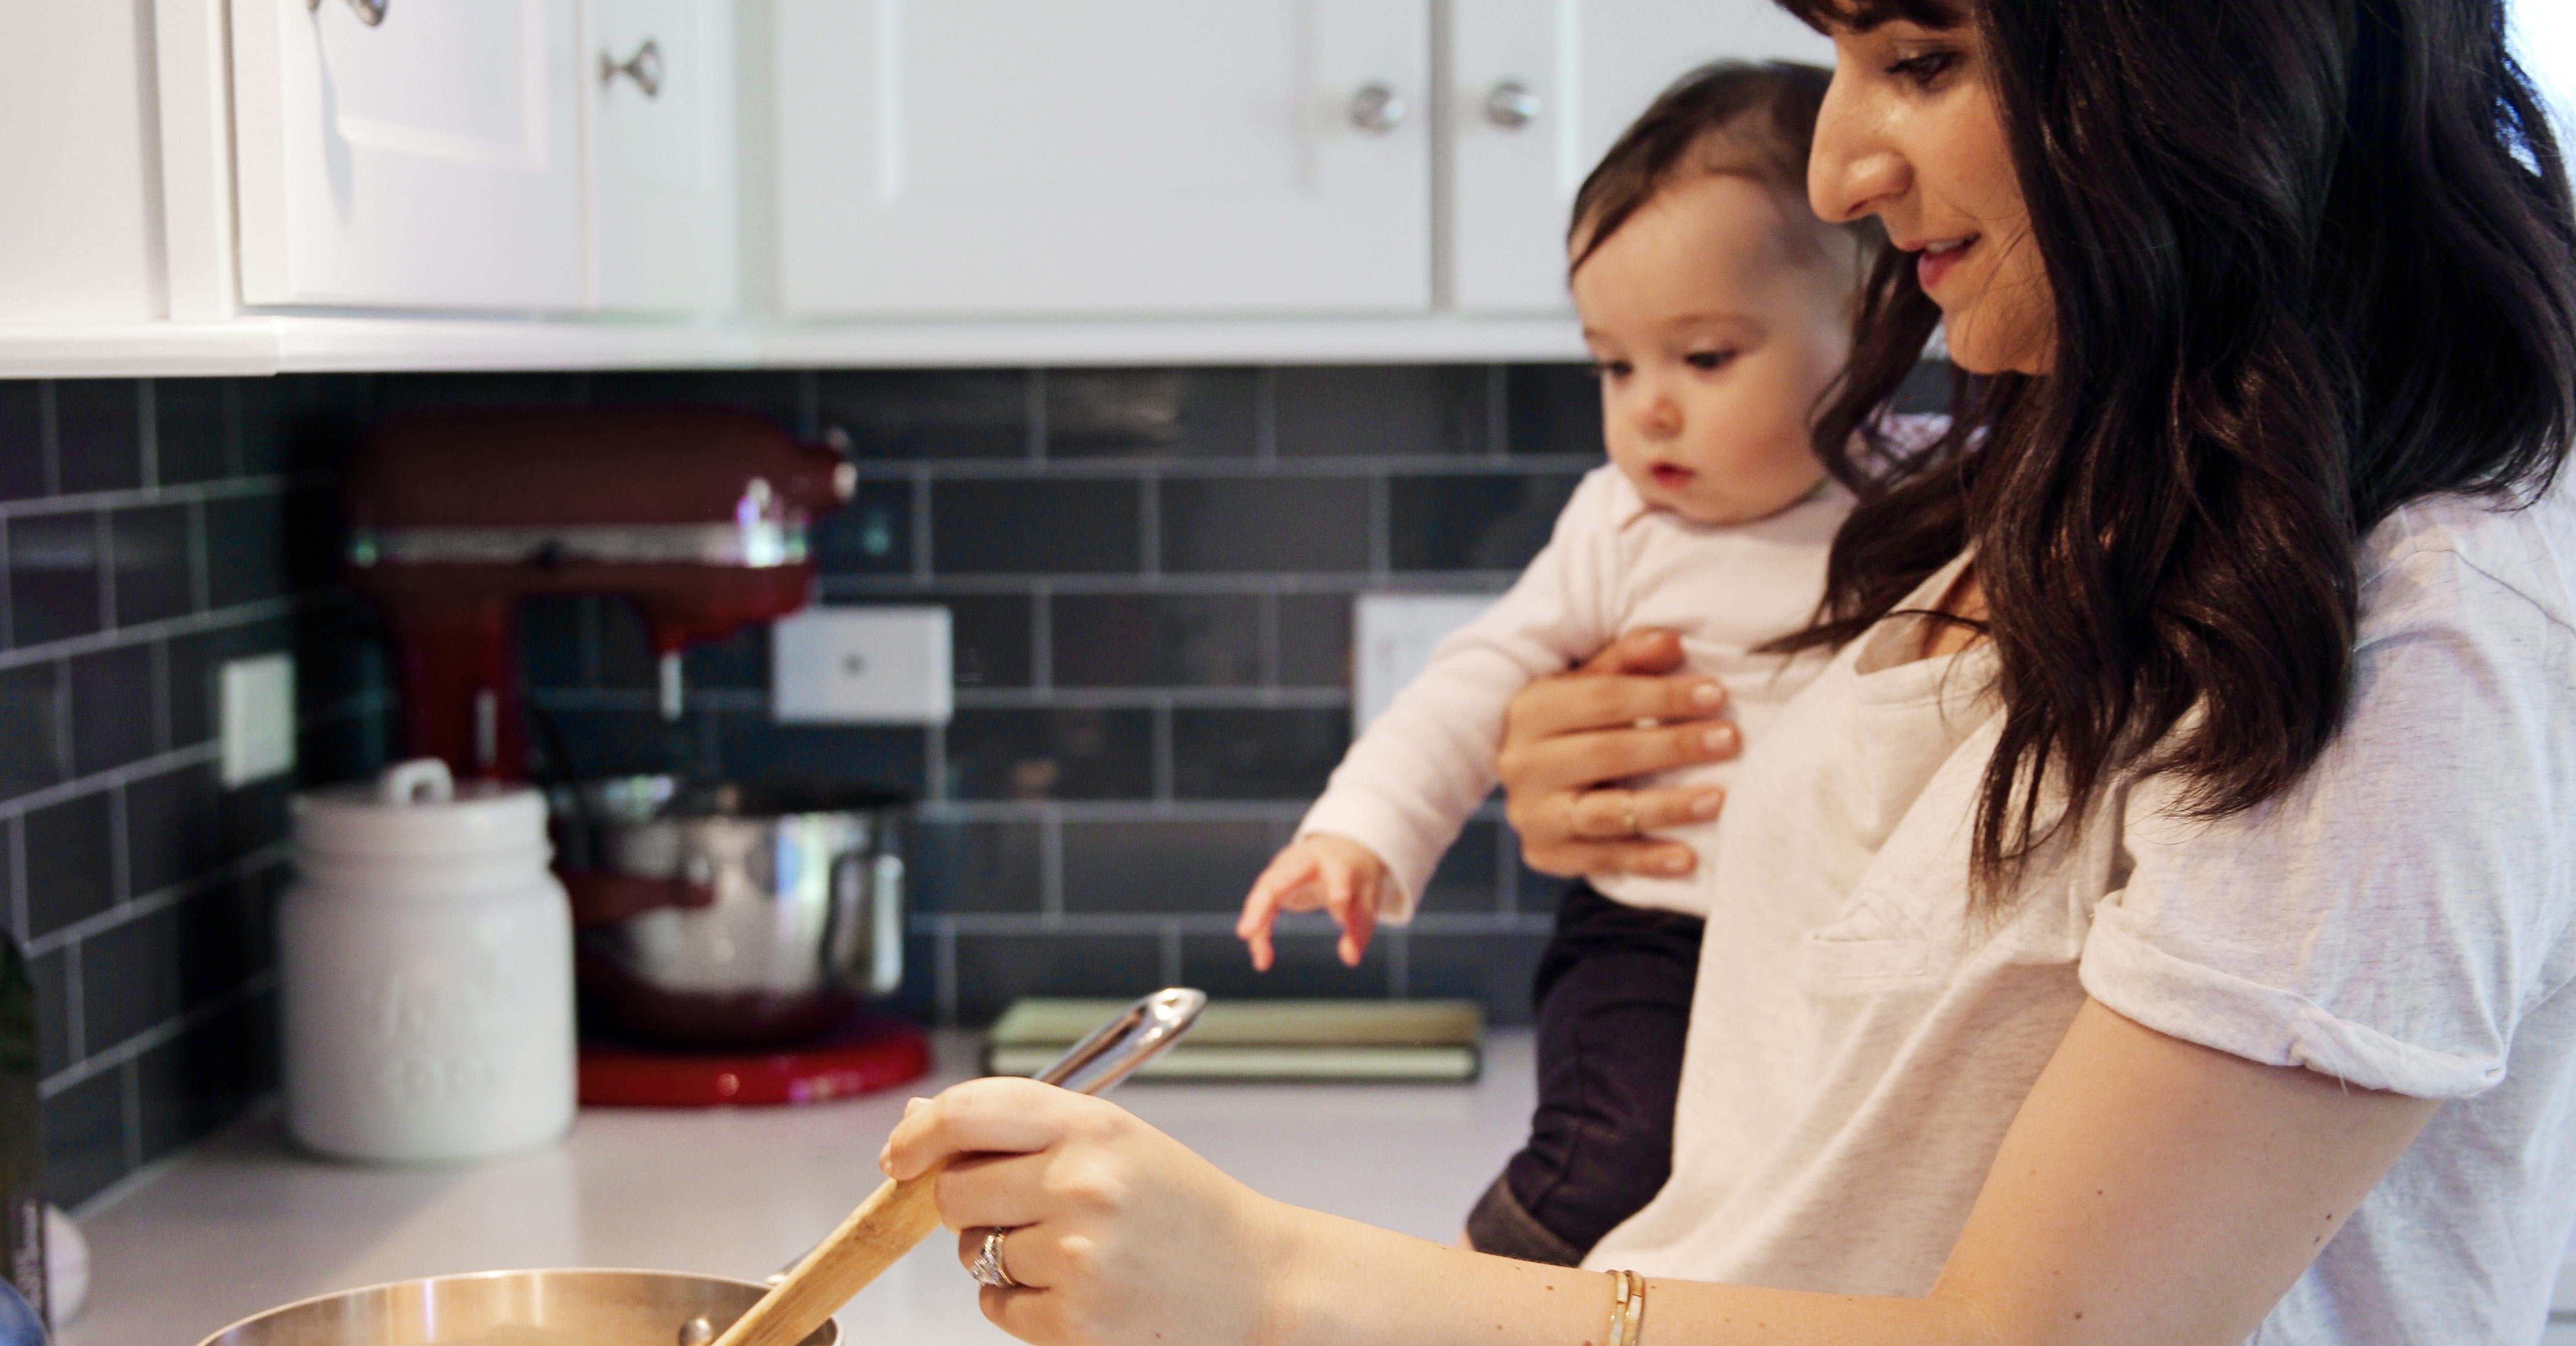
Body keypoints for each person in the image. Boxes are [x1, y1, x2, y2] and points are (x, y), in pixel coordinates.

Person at [885, 0, 2576, 1342]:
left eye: (1920, 54)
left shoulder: (2417, 628)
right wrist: (1622, 798)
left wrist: (1268, 1284)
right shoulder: (2078, 458)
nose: (1839, 162)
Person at [1231, 60, 1883, 1268]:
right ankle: (1493, 1286)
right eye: (1615, 366)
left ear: (1875, 327)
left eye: (1704, 357)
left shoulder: (1943, 500)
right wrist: (1362, 829)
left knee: (1798, 1197)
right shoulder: (1616, 528)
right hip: (1651, 934)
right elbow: (1473, 683)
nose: (1649, 411)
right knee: (1612, 1157)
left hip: (1837, 951)